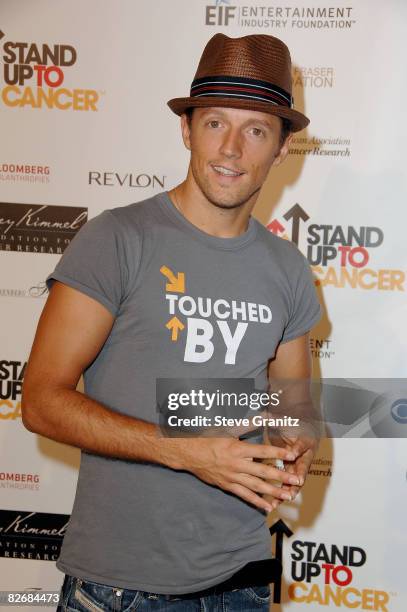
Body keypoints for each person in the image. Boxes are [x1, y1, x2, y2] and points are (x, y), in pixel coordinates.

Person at [22, 33, 321, 611]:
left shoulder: (287, 267)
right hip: (121, 588)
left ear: (282, 148)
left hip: (243, 581)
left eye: (256, 129)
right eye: (215, 124)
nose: (231, 149)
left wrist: (295, 441)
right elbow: (40, 401)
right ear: (186, 130)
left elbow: (293, 404)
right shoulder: (118, 238)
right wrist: (185, 450)